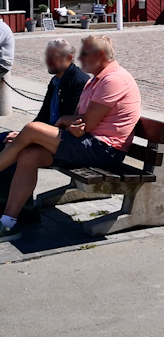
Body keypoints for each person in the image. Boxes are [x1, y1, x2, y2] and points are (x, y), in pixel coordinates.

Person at [0, 35, 141, 242]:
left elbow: (87, 124)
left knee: (31, 130)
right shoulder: (95, 80)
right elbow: (79, 120)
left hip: (104, 150)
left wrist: (64, 120)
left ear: (101, 55)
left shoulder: (113, 80)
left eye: (85, 54)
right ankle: (8, 222)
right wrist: (71, 123)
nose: (80, 58)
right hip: (88, 144)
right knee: (29, 155)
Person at [0, 39, 90, 213]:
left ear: (69, 58)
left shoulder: (78, 81)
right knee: (4, 138)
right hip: (48, 134)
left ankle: (25, 209)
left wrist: (27, 138)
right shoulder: (56, 81)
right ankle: (4, 200)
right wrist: (22, 134)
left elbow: (70, 123)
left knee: (17, 148)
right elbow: (42, 116)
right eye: (47, 56)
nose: (48, 60)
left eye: (53, 56)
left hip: (65, 141)